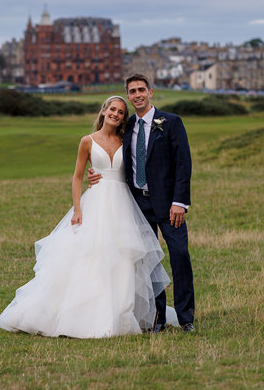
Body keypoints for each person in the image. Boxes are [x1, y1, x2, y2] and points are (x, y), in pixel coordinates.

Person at [0, 96, 173, 338]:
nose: (116, 115)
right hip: (96, 202)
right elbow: (77, 177)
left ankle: (121, 313)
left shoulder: (126, 140)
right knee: (92, 254)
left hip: (122, 205)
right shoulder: (87, 141)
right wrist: (77, 208)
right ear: (103, 111)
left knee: (122, 257)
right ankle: (83, 313)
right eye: (112, 109)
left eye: (121, 112)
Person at [89, 74, 195, 333]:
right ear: (128, 95)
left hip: (170, 205)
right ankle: (156, 318)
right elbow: (109, 152)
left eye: (141, 90)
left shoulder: (171, 122)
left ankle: (186, 317)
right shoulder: (126, 127)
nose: (137, 95)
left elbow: (183, 164)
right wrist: (96, 173)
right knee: (147, 260)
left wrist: (179, 202)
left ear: (151, 92)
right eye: (132, 91)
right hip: (136, 205)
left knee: (179, 255)